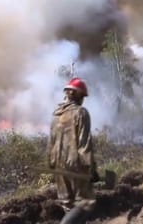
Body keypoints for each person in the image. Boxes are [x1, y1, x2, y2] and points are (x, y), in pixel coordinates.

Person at [47, 77, 97, 224]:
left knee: (68, 204)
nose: (83, 100)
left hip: (58, 165)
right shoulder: (81, 113)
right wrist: (91, 169)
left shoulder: (56, 115)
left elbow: (51, 142)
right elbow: (84, 144)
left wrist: (52, 164)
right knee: (86, 202)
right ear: (78, 95)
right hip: (76, 166)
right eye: (83, 96)